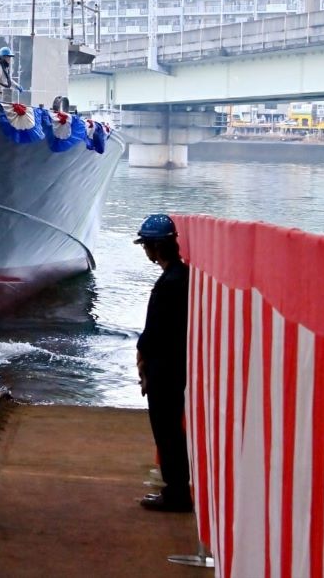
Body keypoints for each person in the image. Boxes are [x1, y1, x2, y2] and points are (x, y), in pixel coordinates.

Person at [134, 213, 193, 513]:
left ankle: (176, 493)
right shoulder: (182, 277)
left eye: (146, 245)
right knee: (170, 431)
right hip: (173, 364)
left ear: (156, 247)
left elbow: (157, 329)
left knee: (166, 431)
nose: (145, 250)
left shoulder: (170, 283)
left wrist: (142, 355)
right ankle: (177, 489)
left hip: (164, 368)